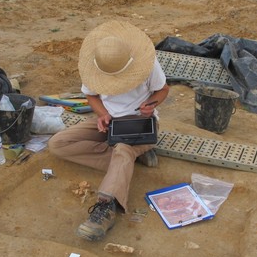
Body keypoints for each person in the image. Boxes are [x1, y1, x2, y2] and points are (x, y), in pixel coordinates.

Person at [48, 20, 169, 241]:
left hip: (141, 122)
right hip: (110, 121)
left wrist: (150, 106)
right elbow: (91, 96)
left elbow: (163, 90)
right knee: (58, 143)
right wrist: (102, 114)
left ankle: (106, 209)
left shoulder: (148, 63)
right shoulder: (97, 64)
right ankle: (128, 161)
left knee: (123, 150)